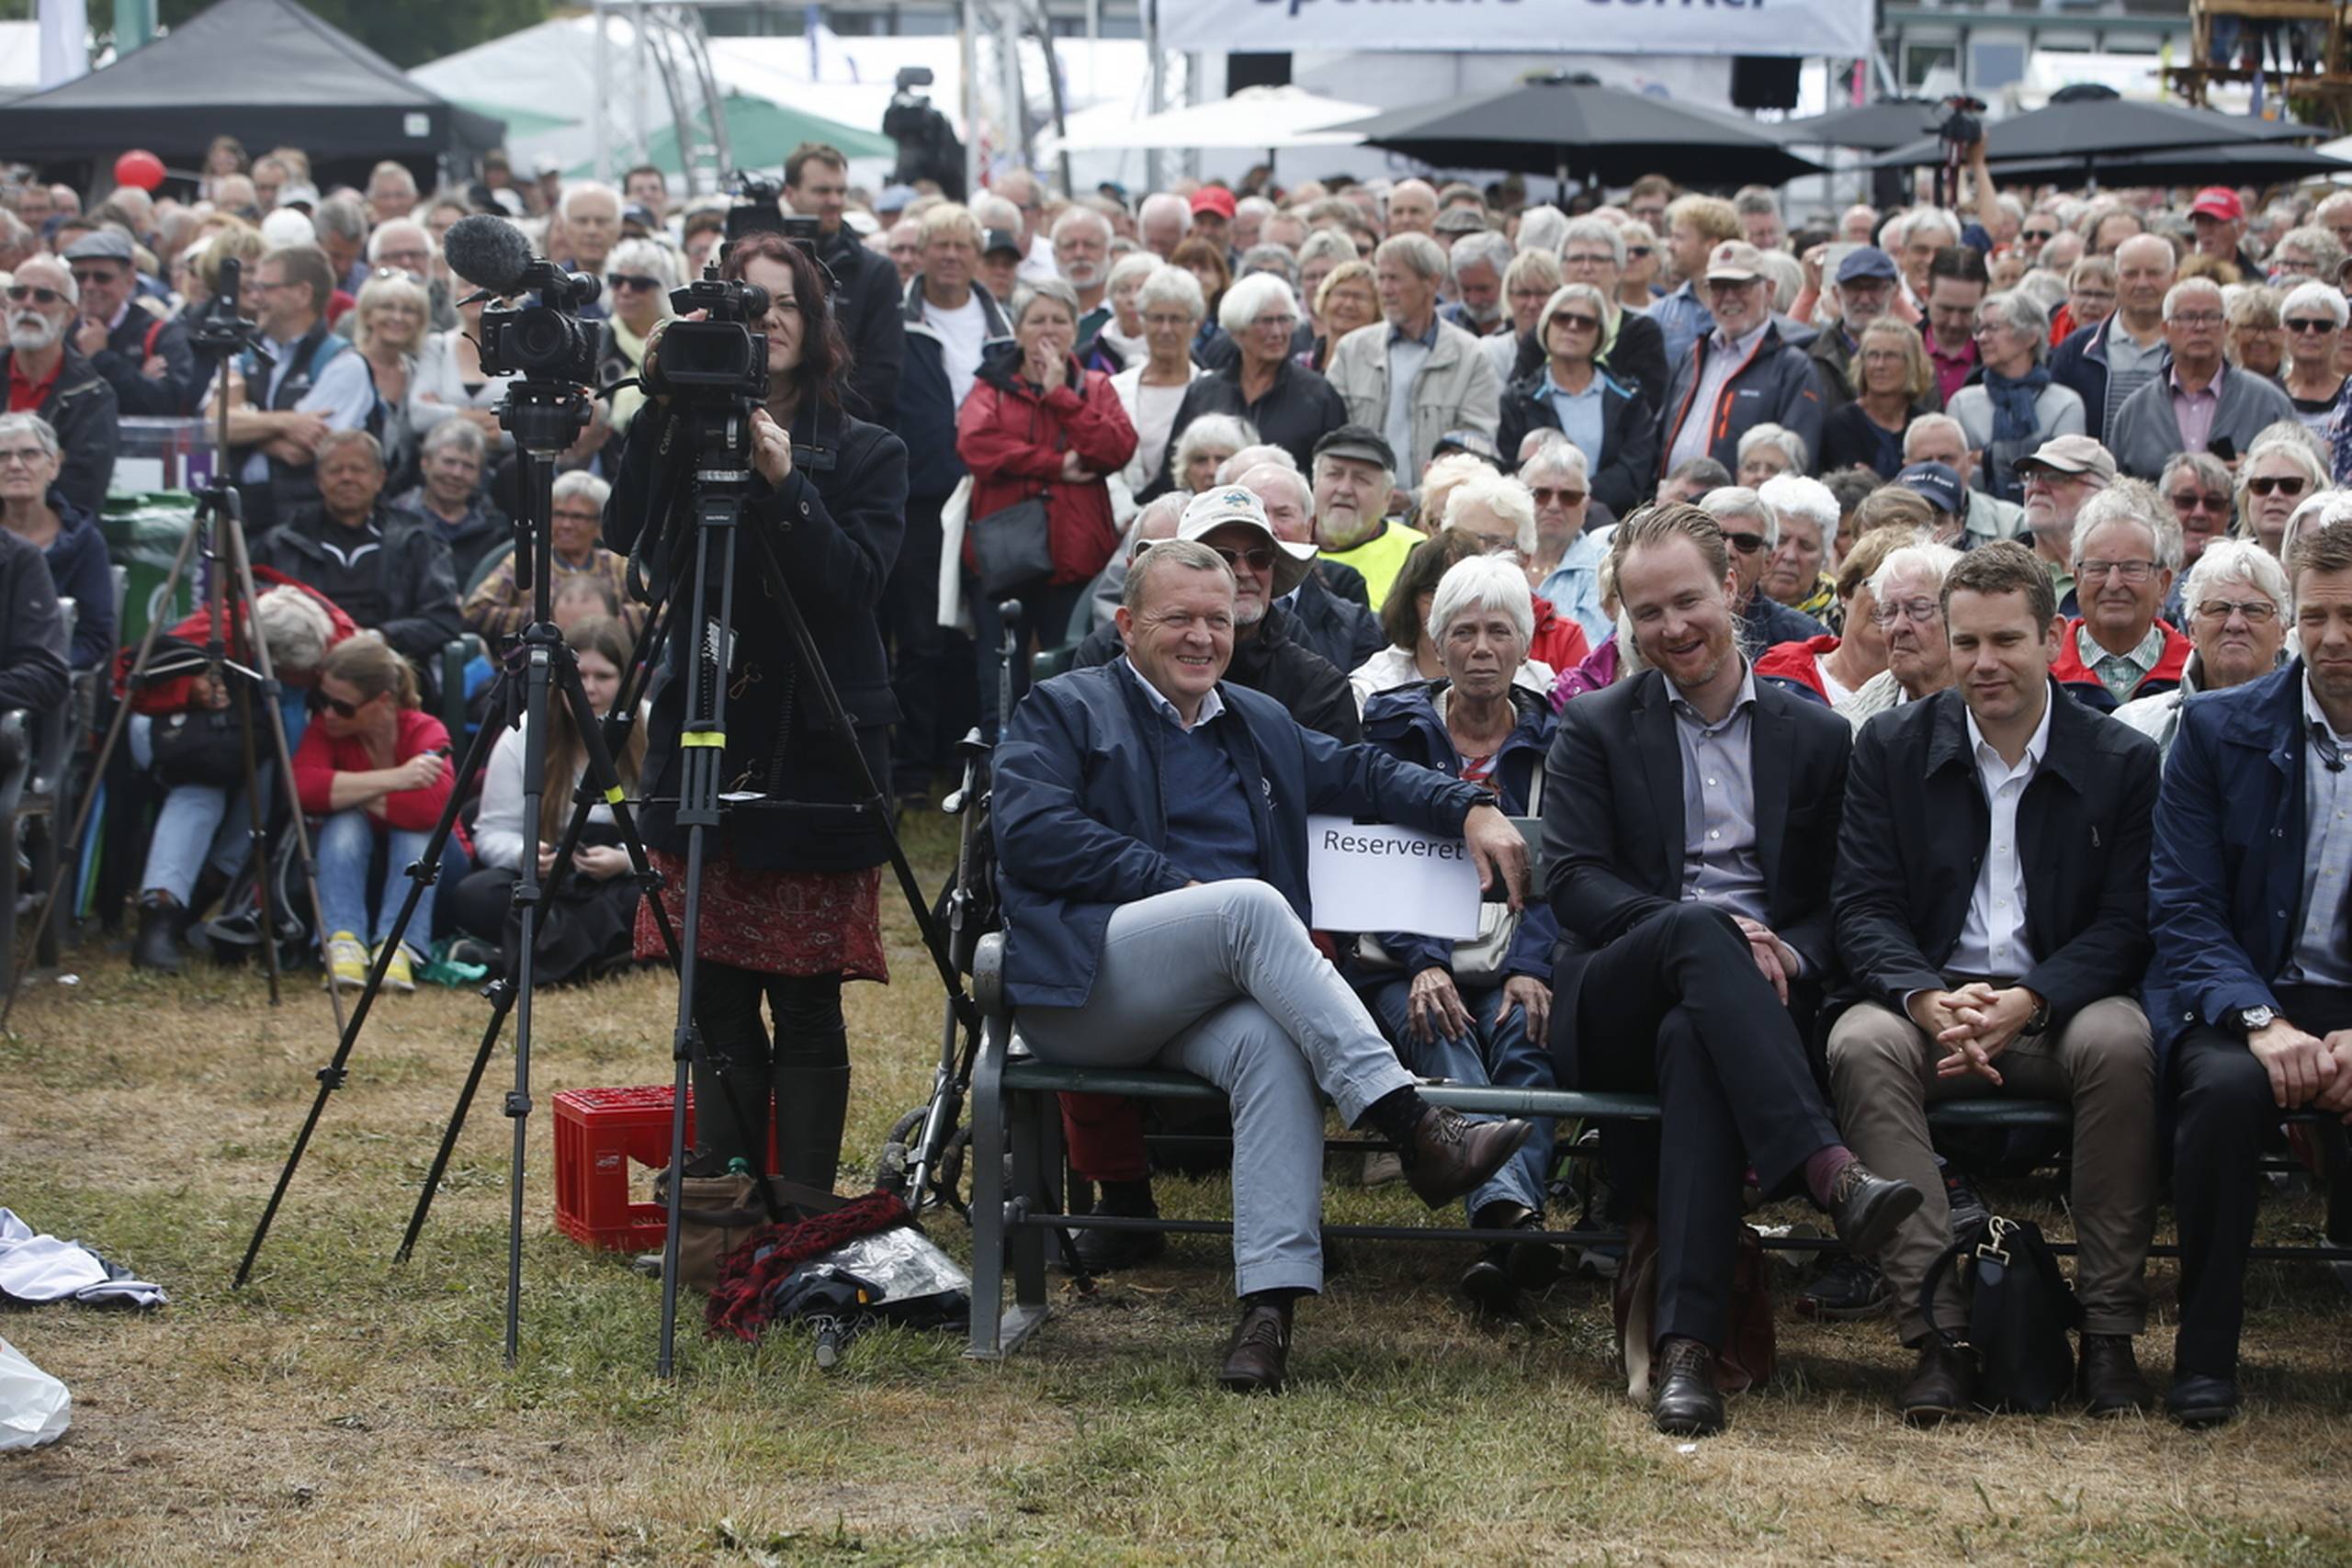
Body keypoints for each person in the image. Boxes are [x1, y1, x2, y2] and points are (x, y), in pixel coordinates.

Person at [991, 535, 1536, 1392]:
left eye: (1218, 620)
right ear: (1128, 624)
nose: (1203, 637)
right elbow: (1029, 832)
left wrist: (1468, 806)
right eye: (1179, 619)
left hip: (1211, 994)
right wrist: (1183, 889)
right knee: (1247, 903)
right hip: (1090, 984)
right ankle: (1410, 1123)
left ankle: (1267, 1311)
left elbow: (1364, 774)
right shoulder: (1064, 709)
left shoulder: (1257, 721)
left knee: (1272, 1047)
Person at [1542, 502, 1922, 1438]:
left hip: (1755, 1011)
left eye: (1686, 602)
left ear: (1733, 589)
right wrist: (1701, 930)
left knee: (1697, 1041)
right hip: (1614, 998)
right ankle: (1830, 1174)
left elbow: (1846, 898)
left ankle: (1685, 1355)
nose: (1671, 629)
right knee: (1701, 947)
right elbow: (1576, 884)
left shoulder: (1817, 737)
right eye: (1646, 613)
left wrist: (1785, 949)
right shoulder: (1594, 724)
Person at [1829, 537, 2161, 1423]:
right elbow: (1860, 905)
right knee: (1859, 1042)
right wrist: (1927, 998)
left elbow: (2129, 923)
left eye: (2007, 640)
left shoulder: (2119, 760)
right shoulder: (1891, 747)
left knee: (2125, 1042)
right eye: (1967, 640)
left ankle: (2108, 1333)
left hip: (2058, 1007)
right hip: (1931, 1001)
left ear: (2054, 638)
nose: (1985, 663)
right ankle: (1937, 1332)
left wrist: (2033, 997)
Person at [606, 230, 907, 1193]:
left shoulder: (866, 449)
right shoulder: (682, 435)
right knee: (717, 993)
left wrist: (784, 482)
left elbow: (853, 586)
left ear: (813, 324)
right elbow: (626, 536)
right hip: (704, 727)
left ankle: (805, 1204)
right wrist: (660, 407)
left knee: (806, 999)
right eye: (738, 303)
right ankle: (724, 1193)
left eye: (778, 303)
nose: (761, 321)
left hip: (813, 750)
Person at [2145, 515, 2352, 1427]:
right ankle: (2204, 1356)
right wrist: (2262, 1024)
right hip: (2238, 995)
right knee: (2225, 1093)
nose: (2335, 639)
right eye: (2317, 618)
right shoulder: (2215, 730)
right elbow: (2183, 911)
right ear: (2294, 621)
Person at [1355, 555, 1565, 1310]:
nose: (1482, 648)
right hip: (1401, 962)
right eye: (1464, 631)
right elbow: (1368, 863)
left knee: (1523, 1032)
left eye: (1499, 631)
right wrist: (1423, 960)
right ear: (1436, 644)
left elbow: (1563, 871)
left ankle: (1500, 1229)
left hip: (1512, 955)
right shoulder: (1391, 729)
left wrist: (1532, 964)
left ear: (1524, 647)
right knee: (1439, 1027)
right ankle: (1512, 1224)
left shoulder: (1557, 741)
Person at [125, 581, 343, 971]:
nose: (307, 676)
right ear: (263, 655)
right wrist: (190, 690)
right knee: (200, 793)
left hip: (265, 750)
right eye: (295, 672)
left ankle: (193, 911)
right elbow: (132, 681)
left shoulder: (336, 634)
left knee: (256, 803)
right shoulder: (215, 630)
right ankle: (159, 918)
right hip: (192, 743)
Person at [956, 278, 1137, 736]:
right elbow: (977, 445)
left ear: (1076, 328)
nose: (1048, 331)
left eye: (1060, 320)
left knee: (1073, 673)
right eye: (1037, 320)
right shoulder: (990, 384)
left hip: (1076, 561)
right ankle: (997, 778)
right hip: (1005, 559)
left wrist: (1062, 397)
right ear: (1017, 330)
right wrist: (1055, 464)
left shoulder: (1095, 387)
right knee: (1001, 677)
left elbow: (1116, 448)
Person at [447, 615, 646, 984]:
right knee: (475, 895)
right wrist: (525, 855)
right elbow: (491, 832)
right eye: (578, 677)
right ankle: (608, 952)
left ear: (625, 680)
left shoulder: (651, 729)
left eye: (602, 677)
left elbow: (672, 838)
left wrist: (625, 860)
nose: (588, 689)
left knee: (656, 897)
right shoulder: (524, 734)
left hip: (622, 870)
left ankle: (532, 952)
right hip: (552, 873)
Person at [293, 633, 455, 993]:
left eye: (343, 706)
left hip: (440, 872)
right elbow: (302, 788)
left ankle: (398, 946)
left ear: (382, 701)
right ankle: (343, 941)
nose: (328, 713)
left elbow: (430, 810)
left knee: (413, 831)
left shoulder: (426, 730)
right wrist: (397, 779)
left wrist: (344, 789)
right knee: (346, 821)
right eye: (322, 700)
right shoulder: (324, 730)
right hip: (358, 869)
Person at [250, 431, 465, 666]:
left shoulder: (417, 540)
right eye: (335, 470)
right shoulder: (281, 543)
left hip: (391, 666)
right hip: (301, 667)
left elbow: (443, 619)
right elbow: (252, 613)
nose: (347, 478)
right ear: (318, 480)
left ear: (380, 479)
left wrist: (379, 637)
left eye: (358, 469)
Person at [214, 243, 374, 534]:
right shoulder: (242, 352)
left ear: (302, 293)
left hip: (301, 528)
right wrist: (288, 421)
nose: (253, 298)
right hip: (238, 518)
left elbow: (304, 448)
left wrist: (243, 423)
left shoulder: (343, 363)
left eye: (265, 288)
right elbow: (212, 425)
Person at [1145, 275, 1346, 491]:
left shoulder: (1318, 396)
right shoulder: (1204, 393)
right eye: (1265, 322)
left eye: (1284, 320)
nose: (1277, 332)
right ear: (1237, 330)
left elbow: (1334, 474)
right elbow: (1174, 471)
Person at [1326, 234, 1501, 479]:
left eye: (1395, 279)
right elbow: (1331, 438)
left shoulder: (1471, 357)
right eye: (1381, 278)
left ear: (1431, 282)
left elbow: (1474, 449)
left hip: (1434, 508)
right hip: (1363, 506)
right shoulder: (1352, 350)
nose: (1385, 290)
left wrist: (1418, 498)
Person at [2112, 537, 2290, 761]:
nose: (2235, 624)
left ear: (2282, 632)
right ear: (2192, 630)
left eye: (2254, 610)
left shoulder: (2315, 732)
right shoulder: (2135, 728)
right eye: (2218, 609)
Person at [1658, 243, 1822, 482]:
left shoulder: (1792, 366)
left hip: (1740, 513)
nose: (1728, 298)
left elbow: (1798, 460)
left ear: (1769, 290)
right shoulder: (1693, 355)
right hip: (1676, 507)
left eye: (1740, 287)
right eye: (1718, 288)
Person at [2109, 277, 2297, 480]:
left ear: (2226, 328)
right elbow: (2118, 490)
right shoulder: (2135, 411)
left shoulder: (2268, 403)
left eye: (2210, 317)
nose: (2200, 327)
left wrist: (2256, 472)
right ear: (2165, 330)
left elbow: (2300, 474)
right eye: (2188, 317)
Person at [1496, 284, 1657, 518]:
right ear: (1546, 325)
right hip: (1536, 521)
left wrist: (1576, 499)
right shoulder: (1518, 399)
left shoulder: (1629, 399)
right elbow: (1511, 470)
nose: (1572, 327)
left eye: (1585, 322)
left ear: (1599, 333)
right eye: (1562, 318)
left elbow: (1634, 470)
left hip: (1611, 524)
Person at [1351, 528, 1555, 709]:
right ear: (1409, 599)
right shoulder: (1374, 688)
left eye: (1466, 595)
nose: (1448, 606)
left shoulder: (1537, 687)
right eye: (1435, 592)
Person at [785, 143, 905, 425]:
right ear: (790, 194)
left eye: (841, 191)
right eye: (822, 191)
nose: (835, 200)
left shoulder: (876, 272)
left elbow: (883, 375)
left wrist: (817, 419)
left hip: (847, 437)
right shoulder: (766, 265)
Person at [2050, 480, 2190, 714]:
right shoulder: (2042, 670)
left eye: (2132, 568)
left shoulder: (2196, 672)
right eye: (2098, 568)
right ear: (2077, 580)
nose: (2113, 584)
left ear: (2163, 584)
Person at [1236, 460, 1382, 676]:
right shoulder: (1203, 617)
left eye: (1283, 514)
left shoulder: (1355, 626)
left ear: (1309, 527)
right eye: (1255, 514)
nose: (1268, 527)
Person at [1437, 469, 1589, 674]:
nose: (1482, 554)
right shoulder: (1420, 628)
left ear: (1525, 557)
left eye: (1497, 544)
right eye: (1468, 543)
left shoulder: (1561, 638)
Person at [3, 256, 118, 513]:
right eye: (18, 293)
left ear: (69, 315)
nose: (28, 305)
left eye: (44, 296)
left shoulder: (93, 394)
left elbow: (82, 493)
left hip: (59, 543)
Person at [0, 412, 114, 670]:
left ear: (54, 465)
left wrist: (46, 671)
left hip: (49, 684)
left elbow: (94, 638)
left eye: (29, 454)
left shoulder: (85, 542)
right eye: (2, 456)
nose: (15, 465)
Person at [1755, 525, 1910, 707]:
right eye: (1877, 585)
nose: (1889, 602)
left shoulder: (1923, 695)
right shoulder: (1779, 670)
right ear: (1845, 592)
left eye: (1910, 597)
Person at [2052, 234, 2176, 445]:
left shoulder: (2187, 346)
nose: (2142, 283)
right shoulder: (2077, 348)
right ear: (2117, 279)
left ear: (2174, 277)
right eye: (2131, 274)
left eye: (2154, 273)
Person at [1833, 541, 1964, 728]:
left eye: (1918, 609)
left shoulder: (1990, 707)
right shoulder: (1853, 722)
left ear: (1957, 618)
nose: (1898, 626)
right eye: (1889, 611)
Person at [62, 229, 193, 416]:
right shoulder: (61, 331)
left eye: (102, 277)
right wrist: (140, 378)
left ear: (130, 280)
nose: (89, 286)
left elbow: (168, 404)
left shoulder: (160, 334)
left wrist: (101, 358)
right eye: (80, 277)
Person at [1108, 266, 1206, 500]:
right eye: (1156, 318)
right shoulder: (1115, 389)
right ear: (1142, 322)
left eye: (1176, 319)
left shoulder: (1211, 389)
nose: (1165, 329)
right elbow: (1103, 460)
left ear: (1194, 325)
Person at [1697, 485, 1830, 647]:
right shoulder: (1663, 616)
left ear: (1767, 561)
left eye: (1746, 543)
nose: (1727, 551)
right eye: (1715, 537)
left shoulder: (1804, 638)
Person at [1311, 424, 1423, 609]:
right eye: (1334, 474)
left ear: (1387, 498)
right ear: (1314, 483)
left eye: (1361, 479)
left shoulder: (1417, 553)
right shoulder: (1285, 541)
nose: (1345, 489)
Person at [390, 418, 507, 584]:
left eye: (468, 466)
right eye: (449, 462)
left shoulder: (495, 529)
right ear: (425, 463)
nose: (457, 474)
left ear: (480, 476)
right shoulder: (397, 519)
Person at [1819, 317, 1935, 479]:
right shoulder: (1842, 424)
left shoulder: (1925, 426)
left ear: (1911, 363)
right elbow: (1853, 488)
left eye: (1891, 356)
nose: (1879, 365)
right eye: (1873, 355)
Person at [2015, 434, 2116, 614]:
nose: (2037, 487)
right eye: (2032, 476)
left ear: (2100, 494)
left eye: (2055, 477)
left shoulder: (2120, 578)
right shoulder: (2003, 572)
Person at [1523, 438, 1610, 646]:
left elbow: (1591, 648)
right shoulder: (1499, 559)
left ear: (1586, 505)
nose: (1553, 506)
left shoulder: (1605, 567)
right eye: (1540, 494)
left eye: (1569, 496)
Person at [595, 236, 677, 445]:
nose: (625, 291)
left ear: (663, 289)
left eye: (639, 284)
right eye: (616, 281)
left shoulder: (679, 338)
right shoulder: (598, 339)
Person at [347, 269, 425, 484]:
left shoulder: (417, 372)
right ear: (367, 315)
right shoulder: (347, 366)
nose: (398, 317)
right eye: (387, 307)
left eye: (409, 310)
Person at [1653, 195, 1742, 371]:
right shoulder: (1660, 314)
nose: (1670, 246)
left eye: (1678, 237)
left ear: (1711, 245)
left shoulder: (1751, 311)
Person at [1807, 247, 1900, 414]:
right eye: (1854, 289)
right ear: (1836, 294)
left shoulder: (1914, 354)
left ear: (1894, 294)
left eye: (1875, 288)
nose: (1864, 299)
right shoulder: (1811, 357)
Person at [1755, 472, 1842, 626]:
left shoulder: (1845, 618)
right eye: (1780, 541)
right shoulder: (1727, 605)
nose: (1790, 556)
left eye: (1806, 546)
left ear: (1824, 557)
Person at [2238, 433, 2327, 557]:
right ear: (2247, 498)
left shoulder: (2342, 567)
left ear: (2316, 494)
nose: (2274, 495)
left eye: (2290, 485)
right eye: (2262, 486)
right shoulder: (2226, 570)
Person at [1922, 246, 1990, 405]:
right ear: (1925, 294)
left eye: (1967, 311)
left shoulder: (2001, 356)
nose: (1954, 322)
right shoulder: (1903, 348)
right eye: (1945, 309)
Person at [2281, 280, 2348, 435]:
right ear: (2284, 331)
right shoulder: (2266, 394)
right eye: (2298, 325)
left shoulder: (2349, 395)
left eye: (2322, 326)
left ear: (2339, 333)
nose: (2309, 333)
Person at [1307, 260, 1379, 376]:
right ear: (1324, 300)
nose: (1349, 304)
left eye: (1359, 297)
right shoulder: (1300, 366)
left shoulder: (1382, 369)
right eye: (1342, 294)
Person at [1440, 231, 1512, 340]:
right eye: (1466, 289)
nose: (1475, 300)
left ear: (1506, 280)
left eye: (1483, 289)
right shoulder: (1443, 323)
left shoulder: (1524, 325)